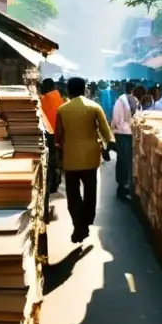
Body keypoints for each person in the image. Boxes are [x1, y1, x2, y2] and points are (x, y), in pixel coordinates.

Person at [55, 76, 114, 242]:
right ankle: (87, 222)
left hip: (70, 158)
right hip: (90, 157)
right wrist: (108, 146)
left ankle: (78, 226)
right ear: (85, 89)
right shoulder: (94, 107)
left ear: (68, 90)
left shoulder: (62, 109)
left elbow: (58, 137)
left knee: (73, 195)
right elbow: (106, 132)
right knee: (90, 192)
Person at [110, 81, 139, 201]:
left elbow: (116, 118)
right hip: (123, 134)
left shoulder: (124, 101)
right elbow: (117, 118)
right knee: (123, 160)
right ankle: (122, 186)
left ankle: (125, 185)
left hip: (127, 133)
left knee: (126, 160)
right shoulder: (123, 101)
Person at [40, 78, 64, 193]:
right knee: (56, 160)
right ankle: (56, 182)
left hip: (49, 133)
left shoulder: (45, 98)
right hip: (59, 133)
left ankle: (51, 184)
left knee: (50, 161)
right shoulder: (58, 96)